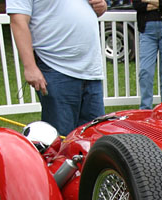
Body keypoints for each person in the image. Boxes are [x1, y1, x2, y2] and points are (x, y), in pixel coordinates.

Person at [7, 0, 107, 135]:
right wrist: (30, 67)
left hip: (91, 70)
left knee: (94, 140)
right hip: (55, 68)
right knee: (61, 141)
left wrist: (102, 6)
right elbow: (18, 21)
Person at [133, 0, 162, 109]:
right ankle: (145, 108)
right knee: (145, 71)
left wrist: (148, 1)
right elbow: (137, 5)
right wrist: (159, 4)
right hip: (146, 31)